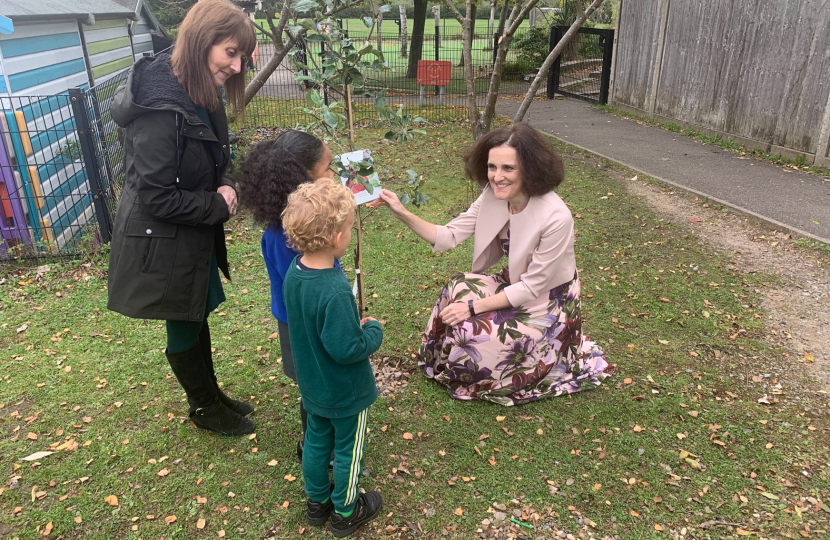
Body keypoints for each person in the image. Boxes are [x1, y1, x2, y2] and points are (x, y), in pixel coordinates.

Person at [375, 122, 611, 406]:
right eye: (492, 167)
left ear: (530, 167)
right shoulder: (492, 195)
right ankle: (450, 365)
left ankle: (501, 370)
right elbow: (448, 236)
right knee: (456, 288)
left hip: (547, 301)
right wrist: (401, 211)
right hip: (512, 282)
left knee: (472, 330)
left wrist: (473, 307)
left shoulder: (557, 217)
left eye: (508, 168)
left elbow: (531, 287)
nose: (497, 177)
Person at [107, 0, 258, 435]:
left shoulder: (196, 89)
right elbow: (156, 196)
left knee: (196, 312)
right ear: (200, 41)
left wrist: (225, 182)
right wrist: (218, 205)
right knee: (183, 318)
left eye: (242, 57)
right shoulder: (160, 108)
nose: (236, 65)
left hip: (190, 231)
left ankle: (212, 393)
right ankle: (204, 407)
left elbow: (214, 153)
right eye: (230, 52)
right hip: (163, 236)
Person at [281, 181, 384, 537]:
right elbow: (347, 349)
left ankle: (316, 503)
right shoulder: (336, 289)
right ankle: (346, 510)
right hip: (344, 392)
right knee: (347, 450)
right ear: (338, 239)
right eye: (349, 229)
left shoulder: (295, 273)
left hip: (312, 385)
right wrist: (372, 333)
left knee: (315, 441)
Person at [238, 130, 342, 459]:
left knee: (316, 385)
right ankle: (315, 447)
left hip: (304, 319)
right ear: (304, 177)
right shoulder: (289, 237)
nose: (333, 175)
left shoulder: (293, 225)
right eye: (327, 169)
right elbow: (307, 288)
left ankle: (318, 442)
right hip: (306, 325)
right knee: (317, 386)